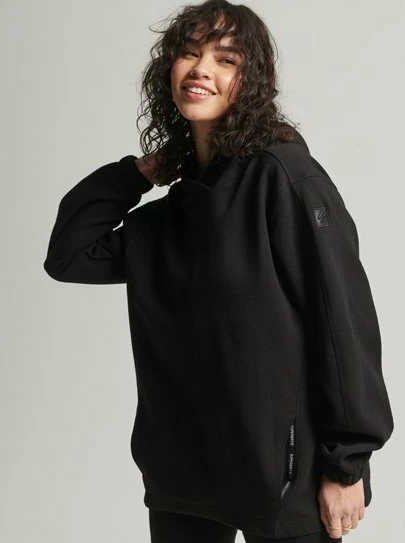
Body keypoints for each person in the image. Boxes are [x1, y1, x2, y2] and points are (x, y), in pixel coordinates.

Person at [43, 1, 394, 541]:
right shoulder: (171, 215)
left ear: (250, 81)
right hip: (184, 475)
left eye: (225, 60)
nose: (201, 68)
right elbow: (70, 255)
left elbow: (341, 318)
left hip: (283, 476)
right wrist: (141, 172)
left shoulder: (283, 176)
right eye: (189, 53)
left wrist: (347, 464)